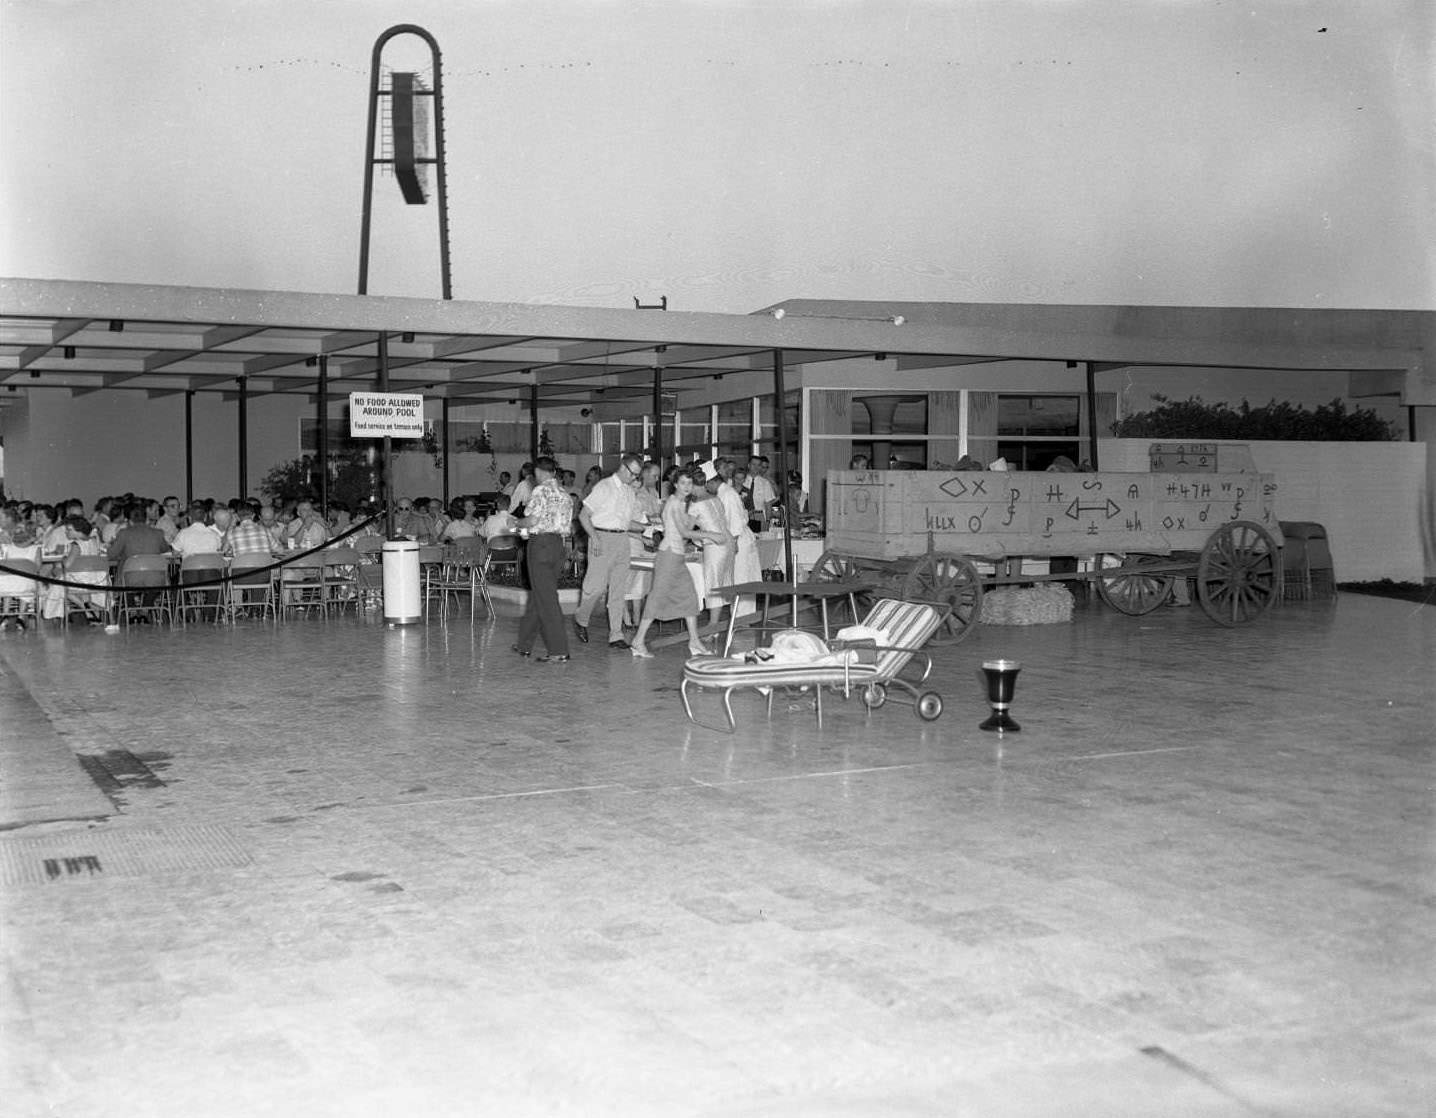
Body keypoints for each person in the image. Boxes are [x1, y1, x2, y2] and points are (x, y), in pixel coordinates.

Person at [630, 466, 720, 658]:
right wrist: (712, 534)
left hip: (676, 556)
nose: (687, 486)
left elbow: (684, 529)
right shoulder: (673, 503)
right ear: (675, 484)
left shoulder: (679, 502)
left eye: (690, 483)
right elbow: (685, 532)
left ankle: (695, 641)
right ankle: (638, 641)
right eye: (683, 483)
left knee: (689, 597)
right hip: (669, 556)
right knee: (656, 597)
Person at [573, 454, 643, 649]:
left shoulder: (629, 492)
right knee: (595, 587)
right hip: (602, 538)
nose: (634, 478)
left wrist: (646, 528)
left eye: (637, 476)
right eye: (633, 474)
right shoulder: (604, 487)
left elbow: (624, 521)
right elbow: (583, 515)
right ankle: (581, 618)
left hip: (622, 540)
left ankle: (616, 634)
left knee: (619, 588)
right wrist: (594, 538)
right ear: (623, 468)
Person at [511, 456, 572, 663]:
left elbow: (532, 519)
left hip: (540, 546)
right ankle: (524, 645)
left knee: (547, 600)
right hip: (558, 546)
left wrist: (517, 522)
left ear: (538, 472)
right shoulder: (565, 494)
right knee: (540, 595)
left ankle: (559, 650)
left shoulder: (540, 490)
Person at [692, 463, 735, 626]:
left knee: (713, 585)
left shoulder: (696, 504)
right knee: (724, 582)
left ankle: (713, 626)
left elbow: (687, 530)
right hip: (728, 543)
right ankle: (723, 621)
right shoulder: (715, 499)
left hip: (715, 546)